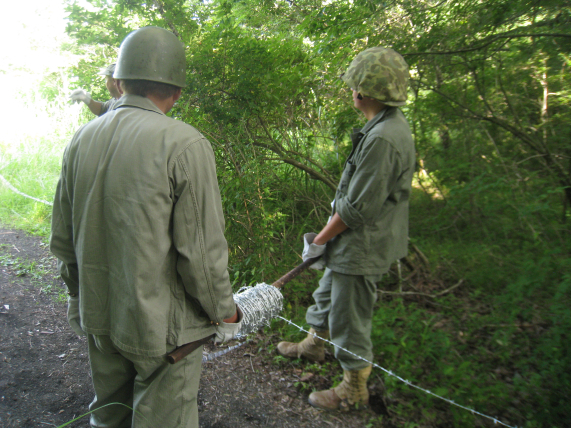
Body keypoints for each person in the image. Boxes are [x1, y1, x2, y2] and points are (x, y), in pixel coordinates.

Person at [50, 26, 241, 428]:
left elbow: (64, 242)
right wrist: (223, 314)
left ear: (118, 82)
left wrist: (79, 300)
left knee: (110, 415)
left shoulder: (81, 139)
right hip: (163, 334)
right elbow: (202, 256)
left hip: (100, 316)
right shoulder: (183, 144)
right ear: (177, 91)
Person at [277, 47, 415, 412]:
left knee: (349, 318)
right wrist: (325, 236)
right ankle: (313, 346)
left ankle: (353, 390)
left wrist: (319, 241)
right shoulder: (380, 128)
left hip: (364, 245)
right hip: (352, 241)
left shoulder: (384, 138)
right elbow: (353, 199)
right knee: (326, 296)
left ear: (364, 92)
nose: (351, 90)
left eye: (354, 84)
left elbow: (357, 208)